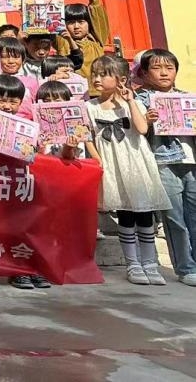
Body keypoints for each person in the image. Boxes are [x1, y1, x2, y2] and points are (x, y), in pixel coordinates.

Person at [86, 55, 171, 286]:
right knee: (125, 214)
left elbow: (142, 128)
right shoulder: (90, 107)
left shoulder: (132, 104)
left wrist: (131, 101)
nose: (97, 79)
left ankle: (150, 263)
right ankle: (133, 263)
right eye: (94, 74)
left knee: (144, 214)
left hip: (135, 162)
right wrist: (97, 159)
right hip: (112, 165)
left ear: (121, 80)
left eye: (103, 75)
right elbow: (88, 137)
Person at [0, 75, 52, 291]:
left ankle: (21, 269)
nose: (7, 106)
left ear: (21, 102)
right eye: (1, 100)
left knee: (20, 226)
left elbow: (37, 152)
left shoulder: (28, 125)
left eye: (13, 101)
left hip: (18, 183)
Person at [133, 48, 196, 287]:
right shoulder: (141, 100)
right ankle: (185, 268)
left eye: (169, 68)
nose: (164, 73)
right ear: (145, 73)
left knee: (194, 216)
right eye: (157, 68)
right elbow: (138, 132)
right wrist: (148, 121)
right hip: (164, 162)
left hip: (191, 161)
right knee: (175, 219)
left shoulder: (187, 97)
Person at [52, 0, 110, 79]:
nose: (76, 26)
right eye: (71, 23)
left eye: (81, 22)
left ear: (89, 24)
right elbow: (49, 21)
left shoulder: (96, 41)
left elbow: (98, 13)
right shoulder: (63, 42)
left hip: (96, 88)